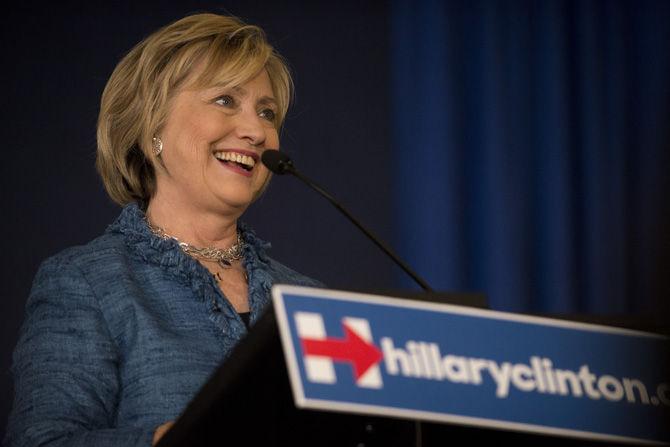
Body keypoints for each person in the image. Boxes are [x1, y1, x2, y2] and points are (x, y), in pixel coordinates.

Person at [5, 13, 321, 447]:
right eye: (226, 100)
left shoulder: (311, 304)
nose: (256, 131)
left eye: (266, 112)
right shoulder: (87, 284)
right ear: (152, 124)